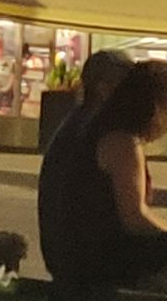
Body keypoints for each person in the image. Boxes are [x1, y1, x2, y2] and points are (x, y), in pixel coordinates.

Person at [50, 61, 167, 301]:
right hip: (101, 259)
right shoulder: (123, 145)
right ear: (155, 109)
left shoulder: (101, 133)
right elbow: (134, 217)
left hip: (90, 253)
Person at [38, 49, 132, 285]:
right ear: (104, 88)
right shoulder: (103, 135)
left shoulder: (75, 125)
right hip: (89, 265)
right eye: (128, 86)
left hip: (64, 258)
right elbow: (133, 215)